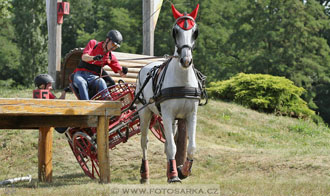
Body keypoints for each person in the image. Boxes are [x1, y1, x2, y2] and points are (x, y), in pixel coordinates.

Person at [73, 29, 128, 100]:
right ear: (107, 40)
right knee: (82, 83)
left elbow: (121, 73)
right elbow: (84, 57)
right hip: (80, 74)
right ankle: (86, 104)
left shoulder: (110, 57)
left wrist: (123, 71)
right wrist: (94, 58)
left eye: (116, 47)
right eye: (113, 44)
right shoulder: (93, 43)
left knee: (102, 81)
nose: (113, 48)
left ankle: (106, 102)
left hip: (93, 76)